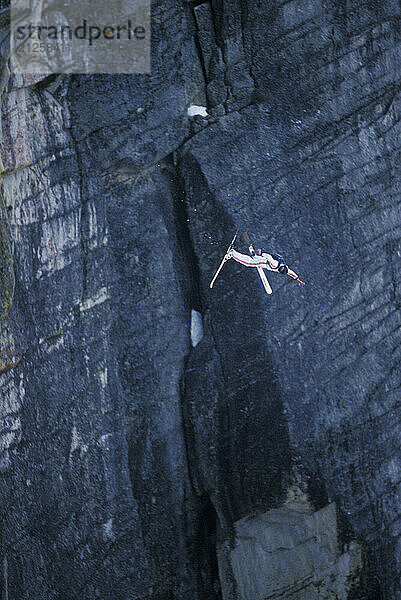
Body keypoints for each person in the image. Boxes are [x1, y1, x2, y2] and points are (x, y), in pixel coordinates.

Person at [226, 246, 305, 286]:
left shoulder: (285, 268)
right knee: (248, 263)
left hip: (264, 262)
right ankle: (232, 253)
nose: (279, 270)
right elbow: (269, 257)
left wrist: (298, 279)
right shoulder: (275, 265)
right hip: (263, 262)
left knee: (252, 260)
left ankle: (255, 256)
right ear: (280, 268)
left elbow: (291, 273)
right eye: (280, 270)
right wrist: (262, 252)